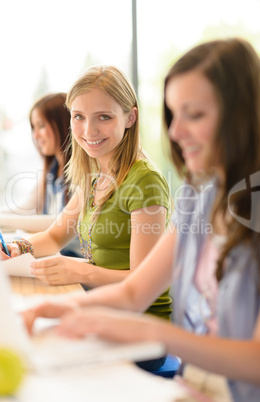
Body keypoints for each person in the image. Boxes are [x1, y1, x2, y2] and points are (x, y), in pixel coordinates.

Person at [19, 38, 260, 401]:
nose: (175, 132)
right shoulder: (198, 198)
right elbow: (134, 292)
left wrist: (156, 335)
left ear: (242, 115)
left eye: (194, 115)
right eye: (173, 115)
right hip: (195, 387)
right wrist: (51, 307)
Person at [1, 66, 172, 368]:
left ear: (130, 118)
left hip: (139, 330)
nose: (88, 131)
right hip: (100, 312)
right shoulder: (95, 174)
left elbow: (141, 283)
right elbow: (55, 236)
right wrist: (18, 249)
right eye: (78, 117)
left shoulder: (144, 181)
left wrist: (78, 271)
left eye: (103, 117)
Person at [0, 93, 81, 257]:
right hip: (57, 255)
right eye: (34, 127)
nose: (36, 135)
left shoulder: (81, 173)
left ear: (64, 124)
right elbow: (21, 209)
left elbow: (57, 224)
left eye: (41, 126)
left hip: (73, 258)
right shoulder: (51, 171)